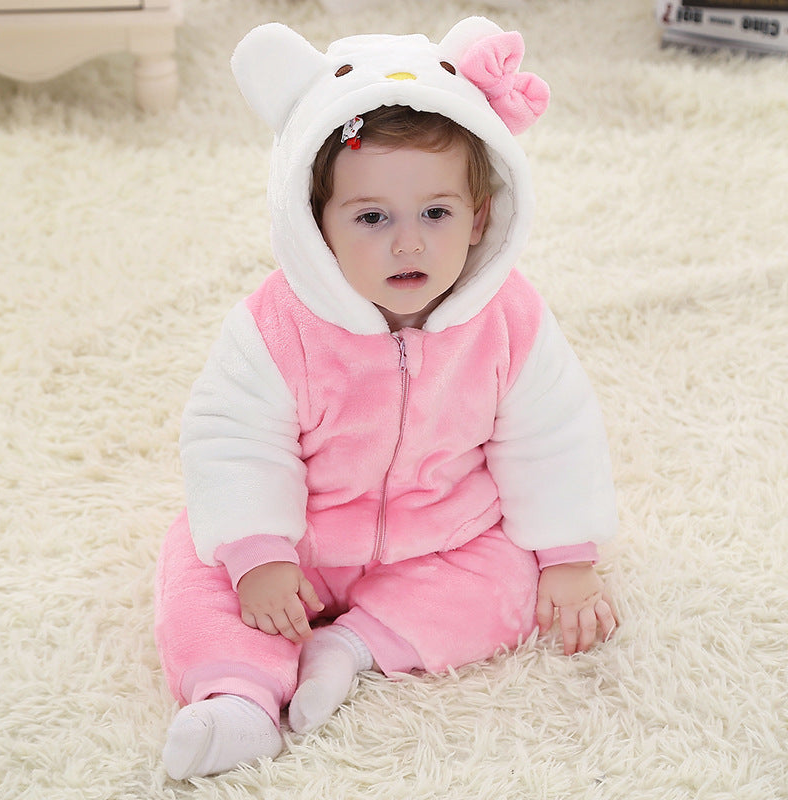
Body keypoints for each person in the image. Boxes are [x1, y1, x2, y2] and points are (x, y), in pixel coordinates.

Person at [154, 17, 619, 781]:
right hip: (300, 541)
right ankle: (238, 697)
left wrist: (568, 555)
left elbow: (553, 433)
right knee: (198, 566)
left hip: (439, 538)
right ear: (316, 225)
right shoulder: (277, 325)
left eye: (436, 213)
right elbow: (233, 436)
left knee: (512, 576)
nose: (409, 243)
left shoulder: (509, 320)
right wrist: (258, 553)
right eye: (372, 217)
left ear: (479, 218)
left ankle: (354, 646)